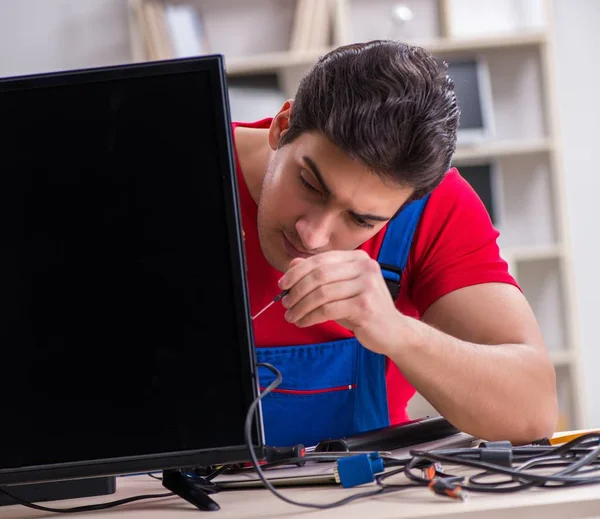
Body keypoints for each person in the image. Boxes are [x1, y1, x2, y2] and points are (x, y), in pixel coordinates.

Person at [232, 40, 558, 448]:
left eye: (361, 220)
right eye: (310, 184)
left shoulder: (435, 208)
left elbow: (533, 411)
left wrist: (398, 332)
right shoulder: (172, 167)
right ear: (283, 127)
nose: (313, 235)